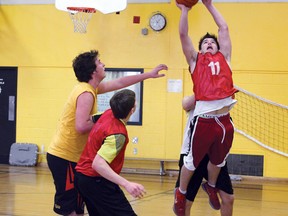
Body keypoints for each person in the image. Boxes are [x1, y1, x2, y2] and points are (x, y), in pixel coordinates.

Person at [47, 50, 168, 216]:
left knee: (78, 209)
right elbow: (81, 126)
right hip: (64, 156)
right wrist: (103, 117)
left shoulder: (92, 88)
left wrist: (148, 75)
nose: (103, 64)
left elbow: (119, 82)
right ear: (93, 71)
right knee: (70, 211)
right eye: (99, 62)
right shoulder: (86, 93)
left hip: (75, 157)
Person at [174, 1, 238, 215]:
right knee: (191, 162)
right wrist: (185, 10)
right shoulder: (195, 60)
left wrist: (209, 5)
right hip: (204, 119)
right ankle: (181, 193)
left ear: (219, 47)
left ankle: (211, 187)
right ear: (200, 49)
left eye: (212, 42)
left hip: (225, 119)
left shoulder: (225, 59)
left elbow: (224, 28)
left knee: (219, 160)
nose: (209, 43)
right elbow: (184, 36)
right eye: (205, 43)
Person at [74, 89, 144, 216]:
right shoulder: (117, 135)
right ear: (132, 110)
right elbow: (98, 164)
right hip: (95, 180)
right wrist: (127, 184)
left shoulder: (107, 113)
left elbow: (90, 119)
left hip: (83, 178)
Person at [175, 95, 234, 216]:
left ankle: (210, 186)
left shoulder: (223, 92)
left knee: (228, 198)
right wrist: (206, 91)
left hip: (214, 155)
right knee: (185, 203)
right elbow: (185, 104)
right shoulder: (199, 93)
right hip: (193, 152)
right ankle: (181, 192)